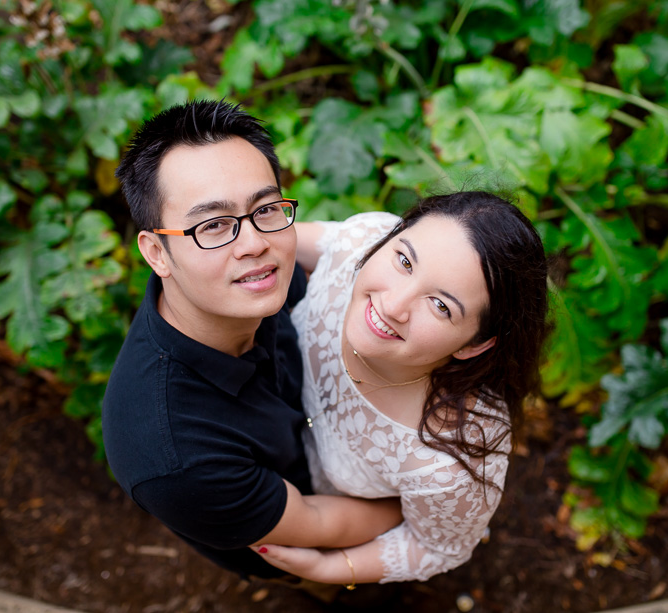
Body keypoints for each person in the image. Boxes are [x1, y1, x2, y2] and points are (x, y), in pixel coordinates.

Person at [101, 100, 401, 581]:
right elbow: (315, 522)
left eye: (265, 208)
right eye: (213, 225)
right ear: (157, 252)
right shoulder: (175, 454)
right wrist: (433, 503)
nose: (254, 244)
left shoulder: (257, 272)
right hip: (299, 536)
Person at [252, 191, 550, 585]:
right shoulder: (361, 241)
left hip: (342, 523)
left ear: (474, 344)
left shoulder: (455, 458)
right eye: (405, 261)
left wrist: (333, 569)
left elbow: (435, 546)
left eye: (441, 306)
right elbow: (265, 242)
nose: (394, 305)